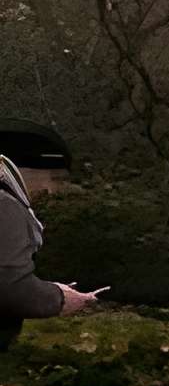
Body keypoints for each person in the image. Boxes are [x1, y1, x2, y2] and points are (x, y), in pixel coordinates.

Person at [0, 142, 101, 348]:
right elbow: (10, 286)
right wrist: (60, 297)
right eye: (55, 179)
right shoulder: (6, 207)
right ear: (25, 170)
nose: (53, 191)